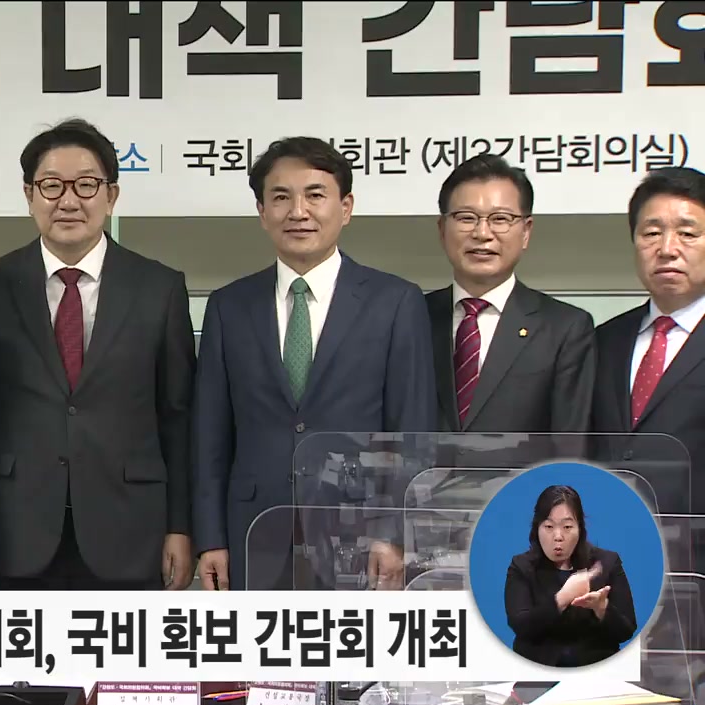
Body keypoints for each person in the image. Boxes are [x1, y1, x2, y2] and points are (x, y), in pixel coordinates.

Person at [0, 118, 196, 591]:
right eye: (52, 186)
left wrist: (181, 527)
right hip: (17, 533)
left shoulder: (160, 287)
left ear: (111, 196)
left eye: (86, 185)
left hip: (132, 531)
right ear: (29, 195)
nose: (68, 201)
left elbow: (178, 418)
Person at [193, 137, 436, 591]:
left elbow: (412, 431)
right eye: (281, 197)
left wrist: (395, 535)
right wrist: (210, 538)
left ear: (346, 208)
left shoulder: (395, 301)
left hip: (360, 538)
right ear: (262, 211)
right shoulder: (229, 306)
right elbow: (210, 435)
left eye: (315, 195)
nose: (298, 211)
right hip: (253, 532)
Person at [426, 154, 595, 433]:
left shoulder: (565, 328)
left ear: (526, 232)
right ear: (442, 230)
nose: (482, 233)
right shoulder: (412, 317)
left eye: (500, 219)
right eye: (466, 218)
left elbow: (570, 441)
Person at [592, 167, 705, 567]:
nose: (667, 248)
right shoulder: (603, 339)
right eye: (651, 233)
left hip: (694, 567)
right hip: (606, 565)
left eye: (687, 233)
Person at [504, 484, 636, 667]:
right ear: (537, 528)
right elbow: (521, 626)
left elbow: (626, 630)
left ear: (580, 528)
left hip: (596, 672)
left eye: (567, 527)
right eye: (549, 526)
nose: (558, 536)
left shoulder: (607, 563)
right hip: (538, 673)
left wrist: (601, 608)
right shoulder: (521, 566)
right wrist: (562, 598)